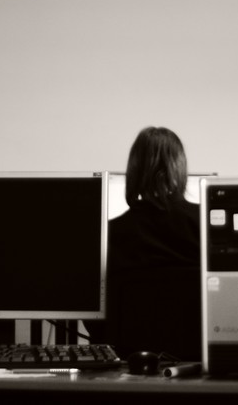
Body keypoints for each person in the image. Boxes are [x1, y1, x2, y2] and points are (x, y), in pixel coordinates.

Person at [87, 126, 202, 361]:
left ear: (134, 170)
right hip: (196, 362)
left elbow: (95, 319)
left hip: (126, 364)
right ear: (179, 168)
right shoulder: (206, 226)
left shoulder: (109, 234)